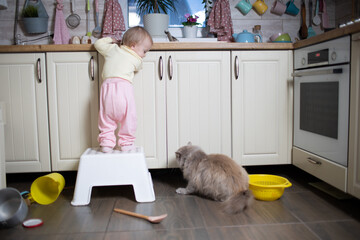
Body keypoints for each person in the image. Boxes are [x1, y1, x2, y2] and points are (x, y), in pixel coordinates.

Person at [95, 26, 153, 153]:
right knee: (129, 117)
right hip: (123, 88)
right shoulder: (136, 59)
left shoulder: (112, 49)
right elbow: (139, 67)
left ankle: (106, 143)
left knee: (106, 117)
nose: (144, 55)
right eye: (144, 51)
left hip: (107, 89)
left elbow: (98, 44)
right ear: (133, 46)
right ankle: (126, 144)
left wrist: (112, 40)